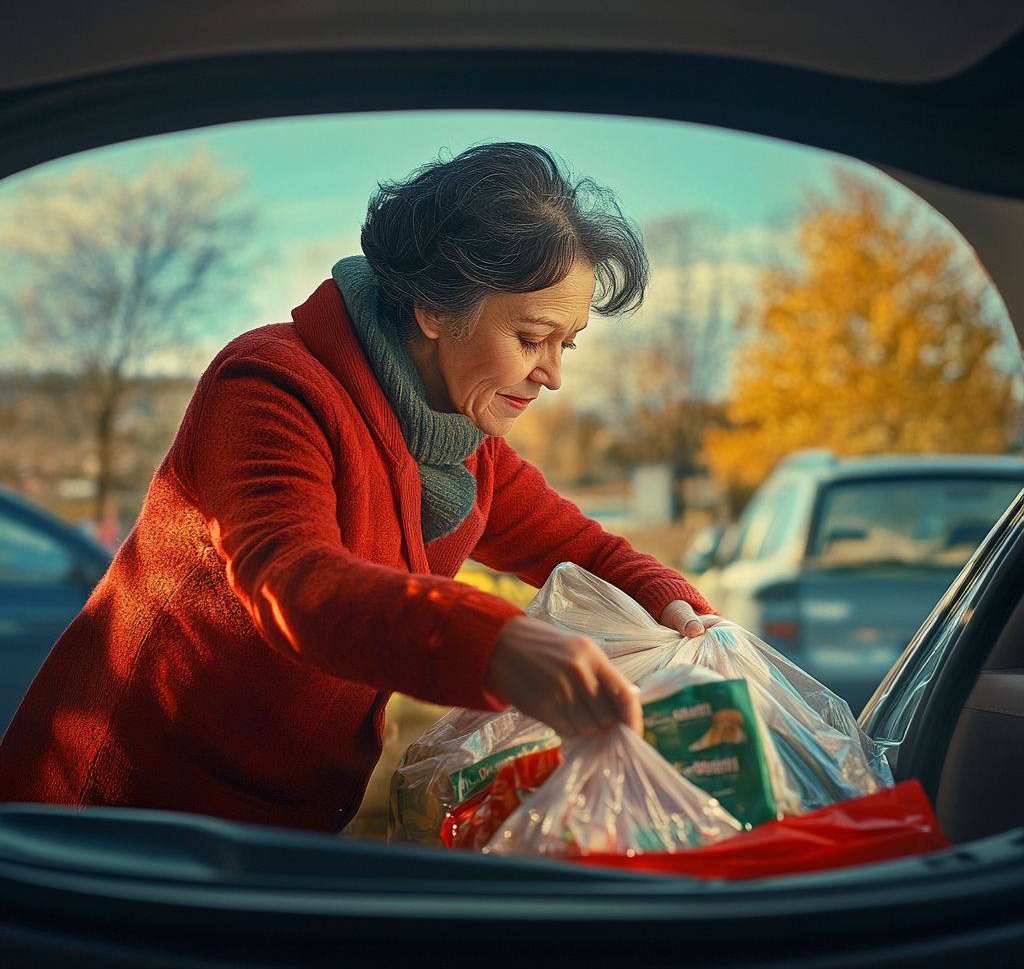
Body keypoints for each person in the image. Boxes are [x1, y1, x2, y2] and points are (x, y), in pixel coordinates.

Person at [0, 143, 714, 833]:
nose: (553, 374)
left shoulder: (467, 443)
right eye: (532, 338)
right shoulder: (270, 384)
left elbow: (578, 546)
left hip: (287, 826)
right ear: (434, 310)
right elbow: (295, 582)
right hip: (119, 812)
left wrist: (680, 610)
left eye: (569, 343)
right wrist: (499, 646)